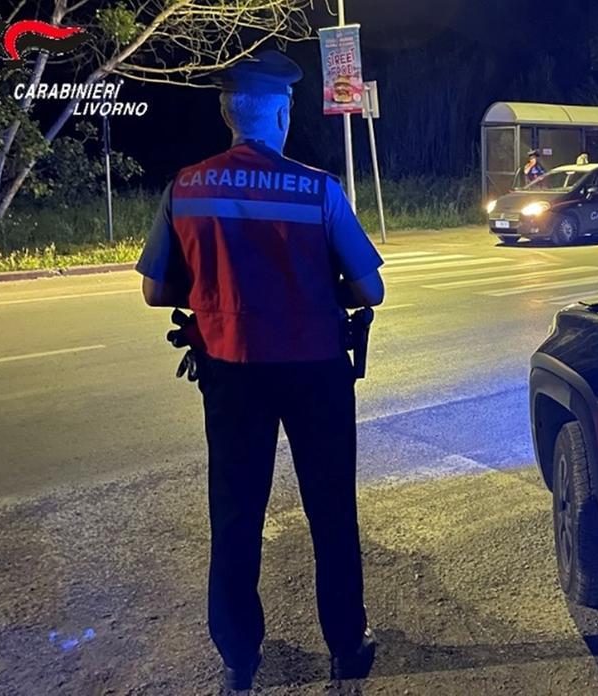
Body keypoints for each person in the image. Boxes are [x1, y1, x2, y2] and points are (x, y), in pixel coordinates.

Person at [135, 50, 384, 692]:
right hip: (315, 375)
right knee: (331, 510)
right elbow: (371, 290)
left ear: (227, 112)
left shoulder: (185, 188)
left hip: (231, 374)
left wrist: (215, 289)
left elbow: (156, 293)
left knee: (236, 513)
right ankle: (346, 646)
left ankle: (240, 656)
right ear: (280, 112)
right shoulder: (319, 189)